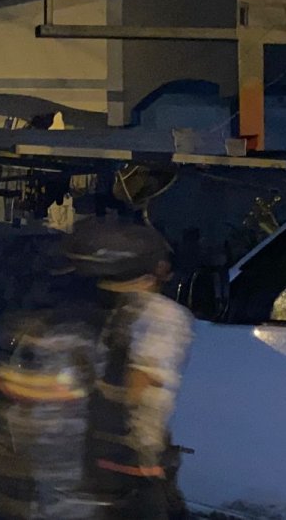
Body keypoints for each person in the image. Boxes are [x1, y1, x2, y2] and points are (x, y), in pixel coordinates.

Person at [62, 216, 194, 520]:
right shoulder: (156, 314)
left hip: (114, 453)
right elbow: (140, 383)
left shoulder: (119, 312)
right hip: (130, 454)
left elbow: (128, 383)